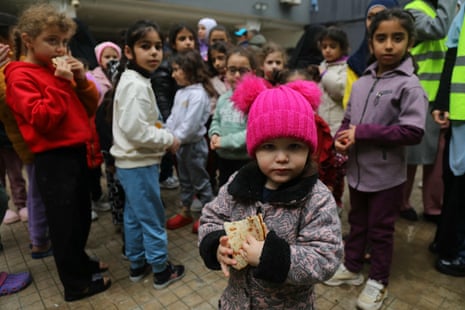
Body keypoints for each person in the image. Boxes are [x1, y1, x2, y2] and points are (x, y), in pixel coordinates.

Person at [198, 75, 343, 309]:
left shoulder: (316, 198)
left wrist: (270, 257)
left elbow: (326, 257)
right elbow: (211, 218)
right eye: (269, 147)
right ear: (254, 150)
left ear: (309, 148)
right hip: (236, 302)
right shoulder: (239, 183)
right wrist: (217, 245)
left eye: (294, 146)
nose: (282, 157)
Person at [5, 3, 111, 301]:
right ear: (28, 40)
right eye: (52, 41)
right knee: (63, 224)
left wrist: (79, 80)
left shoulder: (54, 68)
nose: (60, 48)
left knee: (79, 217)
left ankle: (81, 263)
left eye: (64, 41)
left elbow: (90, 107)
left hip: (76, 151)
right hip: (53, 158)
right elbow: (42, 119)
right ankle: (75, 285)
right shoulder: (19, 75)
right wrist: (62, 84)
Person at [324, 9, 428, 310]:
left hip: (386, 176)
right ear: (371, 44)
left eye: (398, 38)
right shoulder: (361, 82)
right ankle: (353, 267)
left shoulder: (409, 85)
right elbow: (348, 119)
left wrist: (363, 133)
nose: (389, 45)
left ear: (409, 43)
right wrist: (342, 137)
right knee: (357, 222)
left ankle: (379, 280)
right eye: (381, 38)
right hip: (357, 172)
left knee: (381, 230)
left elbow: (413, 131)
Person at [110, 19, 185, 288]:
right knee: (153, 217)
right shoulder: (135, 85)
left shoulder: (135, 80)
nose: (154, 52)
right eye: (145, 46)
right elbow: (136, 131)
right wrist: (168, 139)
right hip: (138, 164)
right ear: (129, 52)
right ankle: (162, 269)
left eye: (158, 46)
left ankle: (137, 263)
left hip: (132, 164)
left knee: (133, 215)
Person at [0, 13, 52, 258]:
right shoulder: (8, 68)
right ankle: (39, 240)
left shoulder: (14, 63)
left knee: (37, 189)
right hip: (28, 141)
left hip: (27, 139)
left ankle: (40, 234)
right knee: (38, 191)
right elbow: (10, 103)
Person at [400, 0, 457, 222]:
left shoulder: (443, 10)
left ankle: (433, 207)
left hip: (442, 96)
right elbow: (438, 29)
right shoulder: (414, 10)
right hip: (419, 93)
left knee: (438, 156)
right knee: (412, 155)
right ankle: (401, 203)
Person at [431, 1, 465, 277]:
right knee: (455, 178)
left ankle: (457, 249)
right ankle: (449, 242)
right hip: (459, 110)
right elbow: (452, 56)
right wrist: (443, 101)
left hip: (460, 109)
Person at [165, 50, 216, 233]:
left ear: (189, 69)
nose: (173, 74)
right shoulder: (181, 93)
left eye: (177, 69)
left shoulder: (199, 94)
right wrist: (167, 134)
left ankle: (209, 216)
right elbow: (173, 118)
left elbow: (191, 124)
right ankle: (186, 211)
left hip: (193, 146)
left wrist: (176, 139)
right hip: (180, 146)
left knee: (200, 181)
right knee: (184, 180)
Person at [209, 47, 257, 188]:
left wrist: (224, 141)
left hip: (245, 160)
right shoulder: (224, 98)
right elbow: (216, 120)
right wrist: (214, 134)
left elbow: (252, 131)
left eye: (243, 71)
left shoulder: (255, 99)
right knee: (225, 192)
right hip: (224, 159)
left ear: (253, 73)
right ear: (226, 72)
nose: (236, 75)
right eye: (232, 70)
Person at [342, 0, 400, 109]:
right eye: (370, 17)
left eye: (381, 16)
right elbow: (349, 103)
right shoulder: (356, 62)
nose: (374, 22)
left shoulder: (405, 60)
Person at [317, 26, 349, 136]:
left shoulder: (347, 67)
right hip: (322, 123)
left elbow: (340, 90)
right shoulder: (322, 66)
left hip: (338, 125)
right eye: (324, 47)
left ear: (342, 48)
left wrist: (325, 75)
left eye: (332, 46)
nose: (327, 50)